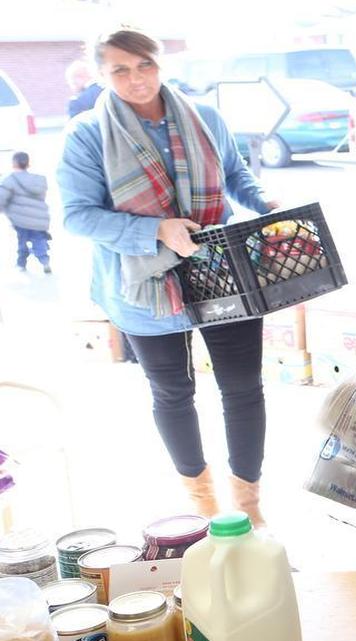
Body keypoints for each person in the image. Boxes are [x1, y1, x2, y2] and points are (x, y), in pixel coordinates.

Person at [57, 29, 280, 526]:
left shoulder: (206, 118)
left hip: (222, 271)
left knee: (243, 387)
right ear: (101, 75)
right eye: (120, 70)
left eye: (145, 66)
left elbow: (236, 176)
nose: (136, 79)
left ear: (161, 64)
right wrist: (155, 229)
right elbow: (77, 216)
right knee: (173, 394)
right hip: (143, 286)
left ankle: (249, 509)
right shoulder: (87, 135)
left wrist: (265, 201)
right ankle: (204, 510)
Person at [0, 152, 52, 274]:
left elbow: (2, 197)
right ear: (28, 163)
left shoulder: (10, 179)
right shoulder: (39, 180)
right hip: (41, 218)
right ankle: (45, 261)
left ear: (14, 163)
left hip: (21, 220)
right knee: (39, 239)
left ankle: (21, 264)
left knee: (22, 241)